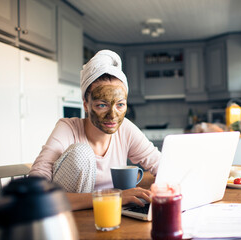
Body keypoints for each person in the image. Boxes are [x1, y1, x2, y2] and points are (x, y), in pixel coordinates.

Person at [29, 50, 161, 210]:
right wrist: (115, 197)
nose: (113, 115)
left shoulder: (125, 128)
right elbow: (34, 191)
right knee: (82, 153)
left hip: (109, 215)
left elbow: (162, 165)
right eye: (102, 105)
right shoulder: (67, 129)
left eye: (120, 104)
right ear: (85, 104)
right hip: (68, 220)